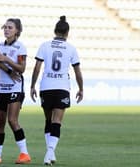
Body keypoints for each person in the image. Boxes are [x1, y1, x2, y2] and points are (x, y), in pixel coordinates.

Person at [30, 16, 83, 165]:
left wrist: (32, 86)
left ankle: (50, 153)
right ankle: (50, 153)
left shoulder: (45, 45)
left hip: (46, 86)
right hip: (62, 87)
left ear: (55, 31)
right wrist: (81, 89)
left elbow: (37, 68)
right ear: (67, 33)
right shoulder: (71, 48)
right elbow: (77, 71)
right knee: (57, 121)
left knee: (48, 120)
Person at [0, 18, 31, 164]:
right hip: (0, 88)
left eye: (10, 27)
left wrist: (6, 59)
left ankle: (24, 154)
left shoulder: (20, 47)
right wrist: (7, 67)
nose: (6, 30)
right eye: (5, 27)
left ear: (17, 31)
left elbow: (21, 69)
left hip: (15, 88)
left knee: (12, 120)